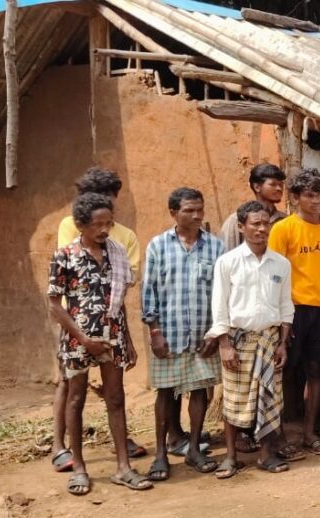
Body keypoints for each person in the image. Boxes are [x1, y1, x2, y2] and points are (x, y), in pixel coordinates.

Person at [48, 193, 149, 495]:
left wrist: (127, 339)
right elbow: (54, 304)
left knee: (116, 399)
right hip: (78, 338)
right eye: (98, 225)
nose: (104, 230)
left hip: (112, 335)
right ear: (80, 225)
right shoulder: (65, 255)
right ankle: (79, 468)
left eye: (108, 223)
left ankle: (123, 467)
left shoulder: (116, 253)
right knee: (75, 399)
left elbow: (118, 302)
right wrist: (83, 339)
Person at [141, 188, 226, 482]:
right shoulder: (157, 246)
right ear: (174, 213)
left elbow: (222, 293)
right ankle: (161, 455)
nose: (197, 215)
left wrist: (216, 333)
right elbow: (148, 291)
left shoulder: (216, 247)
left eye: (200, 210)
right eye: (190, 210)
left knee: (200, 391)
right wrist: (154, 331)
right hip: (169, 334)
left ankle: (193, 450)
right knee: (165, 393)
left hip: (203, 334)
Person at [207, 201, 295, 478]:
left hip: (269, 341)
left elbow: (285, 307)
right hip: (237, 342)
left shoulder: (280, 263)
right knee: (234, 400)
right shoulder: (228, 262)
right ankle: (231, 457)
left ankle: (266, 455)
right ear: (241, 227)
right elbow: (219, 307)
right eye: (255, 224)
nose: (261, 229)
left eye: (265, 223)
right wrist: (224, 345)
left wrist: (282, 343)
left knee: (269, 399)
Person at [267, 170, 320, 457]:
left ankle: (310, 433)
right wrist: (282, 317)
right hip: (292, 310)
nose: (316, 201)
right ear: (295, 197)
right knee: (285, 373)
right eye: (309, 195)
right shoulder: (283, 229)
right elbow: (273, 275)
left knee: (316, 371)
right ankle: (281, 438)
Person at [220, 163, 288, 250]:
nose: (279, 188)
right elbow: (228, 256)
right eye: (273, 184)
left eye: (281, 185)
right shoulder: (237, 220)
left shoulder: (285, 220)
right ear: (257, 187)